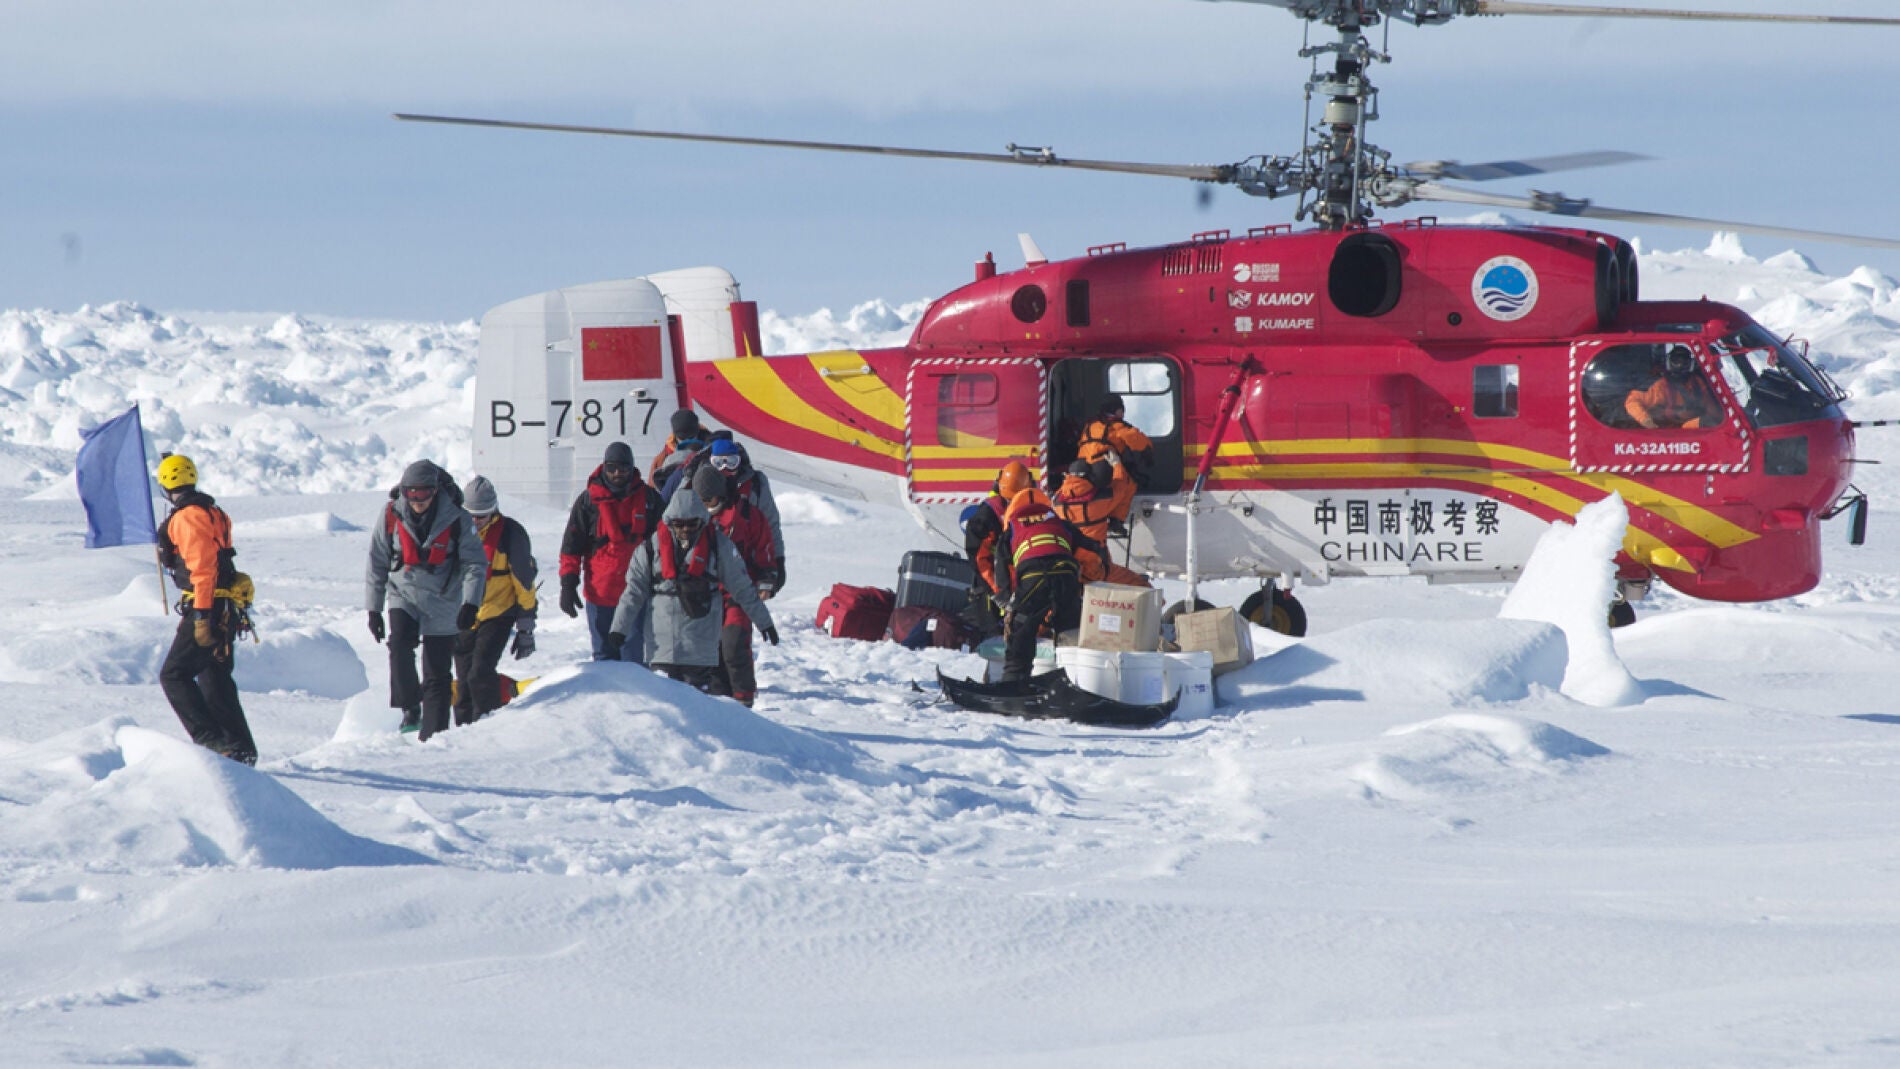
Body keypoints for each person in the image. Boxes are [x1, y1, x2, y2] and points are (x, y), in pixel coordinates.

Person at [608, 489, 779, 695]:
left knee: (697, 705)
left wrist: (764, 622)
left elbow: (742, 588)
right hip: (662, 647)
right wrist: (619, 630)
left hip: (701, 648)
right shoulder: (649, 549)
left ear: (702, 520)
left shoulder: (719, 546)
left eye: (692, 524)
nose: (685, 529)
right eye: (679, 524)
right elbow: (633, 593)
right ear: (670, 521)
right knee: (664, 705)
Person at [366, 459, 486, 741]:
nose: (417, 501)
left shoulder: (457, 517)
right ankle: (410, 707)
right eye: (411, 494)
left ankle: (434, 736)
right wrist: (373, 609)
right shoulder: (390, 515)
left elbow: (475, 564)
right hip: (403, 592)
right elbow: (376, 562)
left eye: (423, 494)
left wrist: (470, 603)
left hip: (443, 600)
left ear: (435, 492)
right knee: (399, 644)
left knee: (437, 673)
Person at [154, 454, 258, 765]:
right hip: (222, 604)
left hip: (207, 604)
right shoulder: (213, 511)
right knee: (214, 677)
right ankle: (239, 748)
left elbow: (202, 568)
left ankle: (212, 742)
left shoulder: (188, 518)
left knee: (174, 675)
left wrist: (202, 616)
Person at [559, 442, 663, 664]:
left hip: (636, 595)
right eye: (612, 468)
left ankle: (635, 699)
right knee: (604, 660)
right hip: (600, 595)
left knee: (633, 660)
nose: (617, 473)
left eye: (623, 468)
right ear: (604, 467)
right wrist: (568, 584)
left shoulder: (650, 501)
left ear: (632, 468)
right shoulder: (587, 502)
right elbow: (571, 547)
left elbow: (665, 545)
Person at [451, 475, 538, 726]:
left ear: (494, 511)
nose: (476, 522)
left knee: (480, 673)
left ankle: (488, 725)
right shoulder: (453, 533)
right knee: (464, 679)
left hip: (498, 613)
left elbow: (524, 583)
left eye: (482, 515)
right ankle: (464, 731)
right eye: (471, 515)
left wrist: (526, 627)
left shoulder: (510, 534)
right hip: (464, 615)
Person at [694, 463, 780, 707]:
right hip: (704, 596)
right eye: (700, 499)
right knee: (712, 652)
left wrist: (766, 580)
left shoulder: (747, 516)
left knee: (734, 645)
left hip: (738, 593)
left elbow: (764, 549)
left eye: (708, 499)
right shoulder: (692, 518)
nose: (705, 504)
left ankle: (744, 701)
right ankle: (720, 704)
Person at [998, 487, 1095, 684]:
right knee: (1070, 627)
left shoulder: (1013, 528)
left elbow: (1002, 568)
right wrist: (1087, 583)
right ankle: (1075, 680)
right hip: (1066, 574)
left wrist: (1008, 600)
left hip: (1033, 575)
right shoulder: (1059, 522)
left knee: (1022, 626)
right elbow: (1092, 549)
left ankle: (1014, 680)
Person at [1052, 458, 1149, 587]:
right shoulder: (1099, 501)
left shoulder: (1056, 502)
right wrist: (1117, 464)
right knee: (1139, 584)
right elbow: (1121, 486)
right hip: (1094, 567)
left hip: (1069, 567)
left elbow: (1065, 490)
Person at [964, 460, 1033, 639]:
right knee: (994, 641)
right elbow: (980, 561)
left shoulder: (1031, 504)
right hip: (993, 590)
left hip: (1019, 584)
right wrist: (998, 592)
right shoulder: (986, 518)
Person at [1075, 393, 1153, 524]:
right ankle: (1116, 520)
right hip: (1102, 470)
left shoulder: (1090, 425)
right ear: (1118, 410)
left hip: (1082, 472)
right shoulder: (1118, 427)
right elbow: (1140, 442)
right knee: (1127, 484)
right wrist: (1148, 453)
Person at [1626, 345, 1724, 429]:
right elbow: (1632, 401)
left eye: (1684, 361)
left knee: (1710, 422)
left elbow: (1712, 410)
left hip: (1691, 428)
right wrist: (1645, 420)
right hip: (1671, 432)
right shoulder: (1662, 385)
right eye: (1676, 361)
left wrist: (1722, 418)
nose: (1680, 365)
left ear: (1690, 363)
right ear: (1670, 362)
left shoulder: (1697, 383)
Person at [648, 408, 705, 486]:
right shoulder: (661, 460)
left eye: (691, 437)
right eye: (683, 438)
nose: (687, 441)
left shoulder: (660, 460)